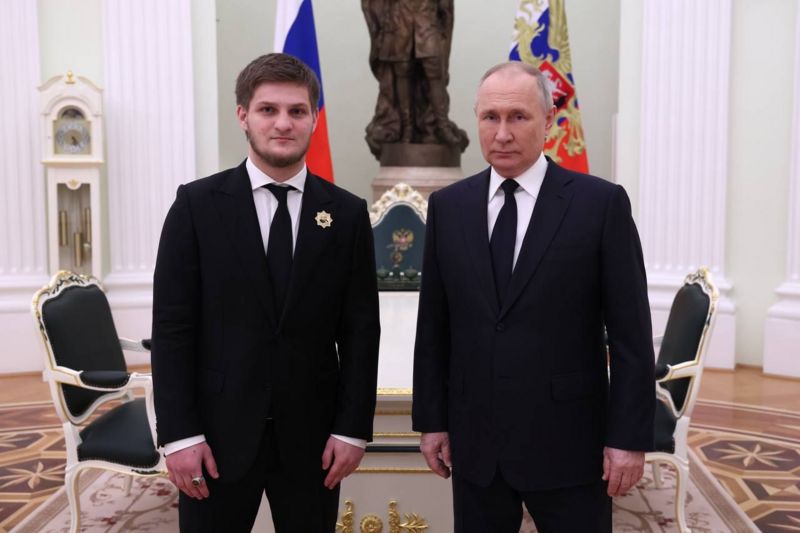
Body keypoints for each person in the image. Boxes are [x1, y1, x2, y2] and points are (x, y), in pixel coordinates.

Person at [412, 61, 655, 532]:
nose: (502, 133)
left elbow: (631, 335)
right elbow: (434, 328)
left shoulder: (600, 205)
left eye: (518, 117)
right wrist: (433, 421)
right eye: (490, 117)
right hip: (476, 445)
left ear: (548, 121)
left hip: (570, 444)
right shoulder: (448, 207)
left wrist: (627, 438)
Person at [151, 53, 380, 532]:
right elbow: (173, 329)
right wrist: (180, 435)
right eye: (268, 110)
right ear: (243, 116)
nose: (283, 123)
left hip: (314, 441)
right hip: (215, 438)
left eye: (297, 111)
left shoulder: (347, 214)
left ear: (314, 118)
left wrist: (352, 429)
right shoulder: (196, 206)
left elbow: (360, 331)